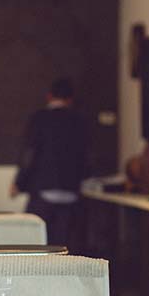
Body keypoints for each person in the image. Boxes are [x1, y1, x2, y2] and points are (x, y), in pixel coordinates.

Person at [12, 78, 89, 246]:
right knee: (64, 247)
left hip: (43, 192)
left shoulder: (39, 119)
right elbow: (85, 158)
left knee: (37, 243)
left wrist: (18, 182)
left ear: (49, 96)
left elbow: (29, 153)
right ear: (70, 99)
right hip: (71, 193)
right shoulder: (79, 121)